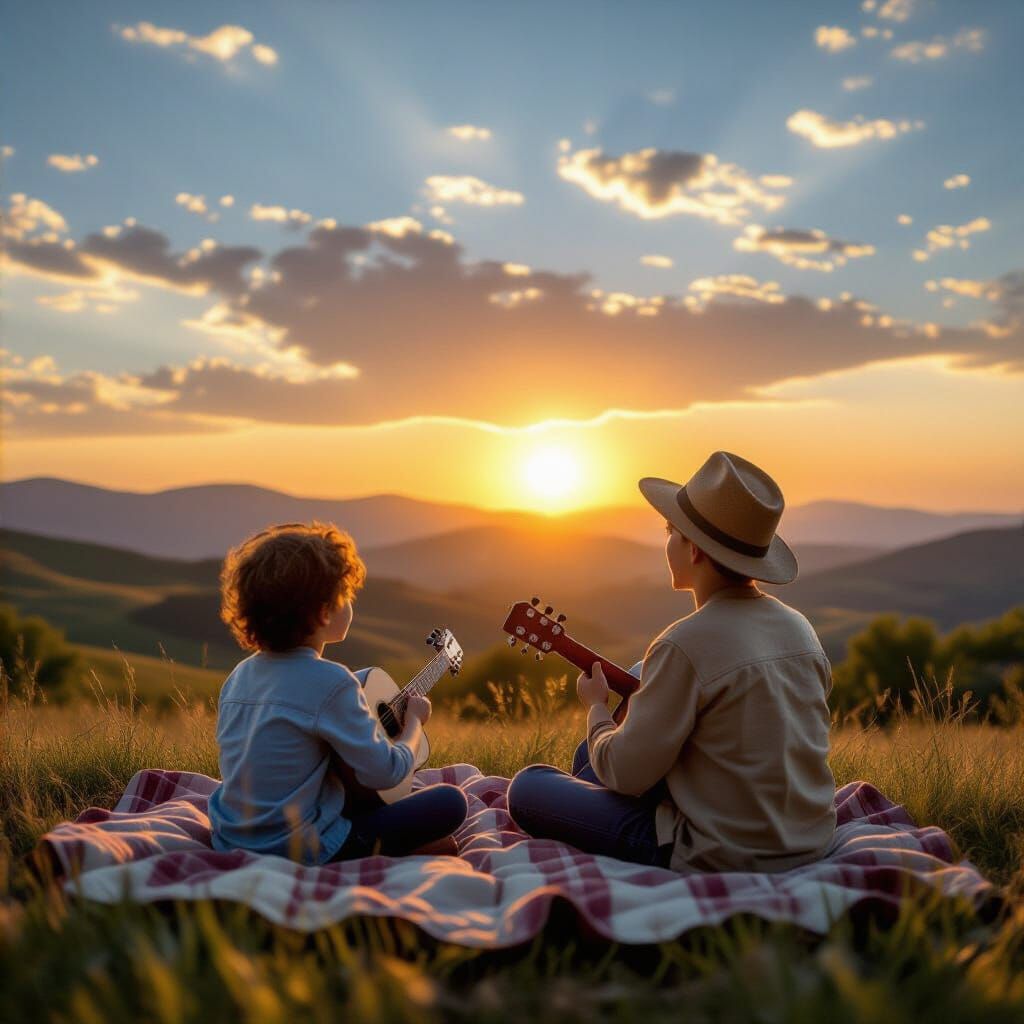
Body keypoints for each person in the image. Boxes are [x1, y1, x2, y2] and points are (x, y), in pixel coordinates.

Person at [506, 451, 837, 873]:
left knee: (529, 787)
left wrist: (595, 708)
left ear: (694, 550)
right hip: (807, 839)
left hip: (718, 851)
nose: (667, 541)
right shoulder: (800, 629)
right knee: (628, 699)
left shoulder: (682, 644)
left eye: (670, 530)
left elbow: (625, 775)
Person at [209, 521, 467, 865]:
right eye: (345, 595)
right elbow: (387, 773)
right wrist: (414, 725)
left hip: (229, 837)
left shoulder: (239, 675)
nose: (350, 603)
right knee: (451, 802)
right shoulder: (333, 682)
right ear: (322, 612)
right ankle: (385, 850)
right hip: (299, 847)